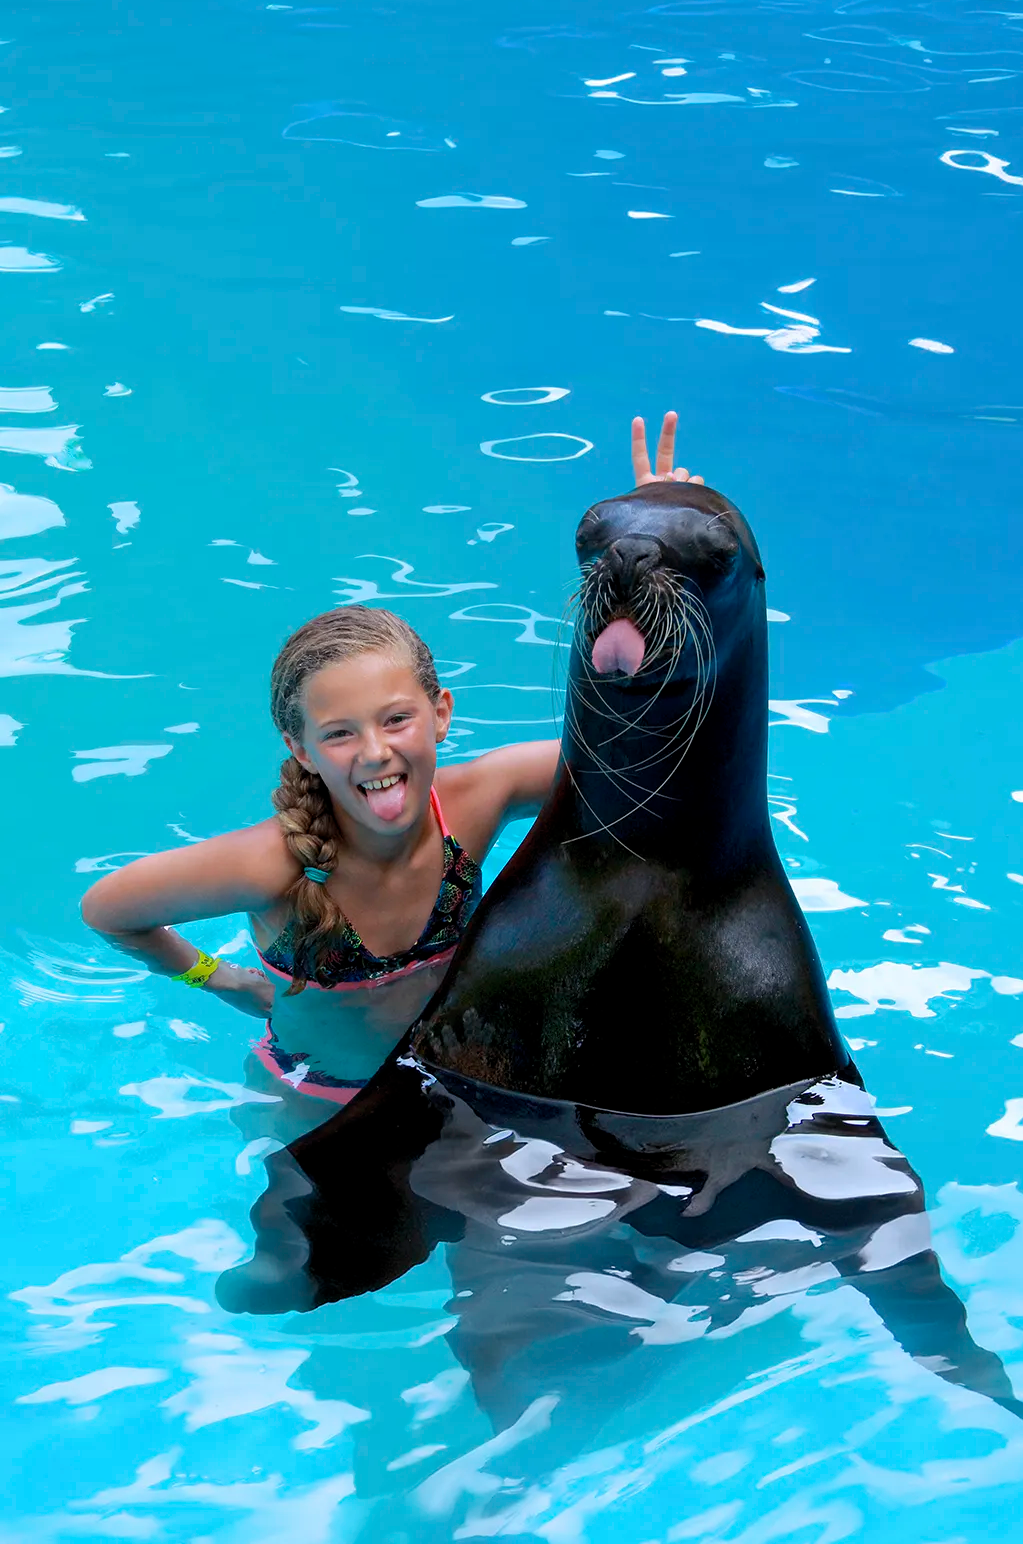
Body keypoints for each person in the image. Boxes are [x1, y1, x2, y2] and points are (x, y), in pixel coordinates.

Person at [81, 414, 702, 1097]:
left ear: (440, 715)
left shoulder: (477, 799)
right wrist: (221, 981)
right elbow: (109, 910)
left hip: (465, 1078)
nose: (375, 752)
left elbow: (643, 747)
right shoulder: (271, 865)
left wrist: (659, 554)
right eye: (340, 733)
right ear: (302, 750)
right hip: (322, 1095)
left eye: (396, 719)